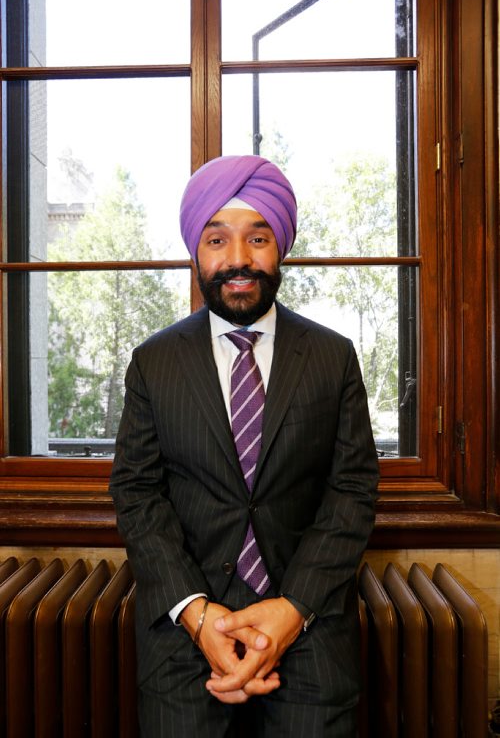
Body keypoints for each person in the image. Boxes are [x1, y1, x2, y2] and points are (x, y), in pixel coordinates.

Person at [109, 155, 379, 737]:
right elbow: (136, 493)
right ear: (196, 252)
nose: (238, 259)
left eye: (257, 237)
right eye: (217, 239)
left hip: (308, 623)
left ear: (279, 245)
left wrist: (291, 611)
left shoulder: (333, 358)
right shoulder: (153, 363)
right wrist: (198, 614)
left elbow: (352, 491)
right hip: (187, 633)